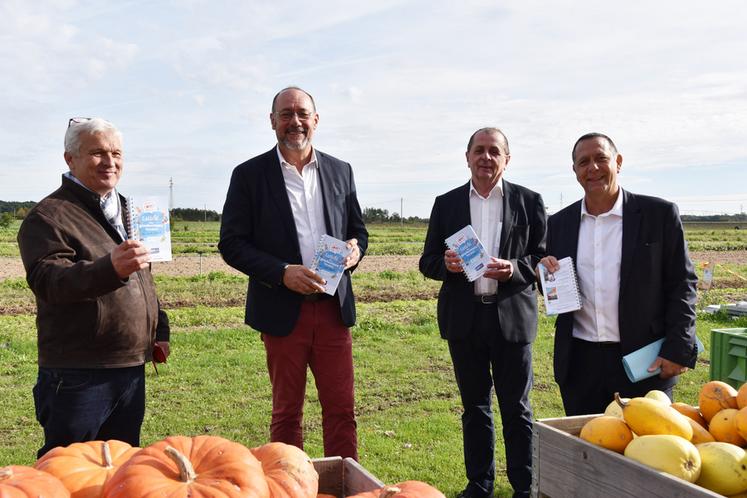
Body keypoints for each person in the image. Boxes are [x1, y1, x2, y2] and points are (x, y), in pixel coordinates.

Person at [219, 87, 368, 459]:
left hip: (333, 307)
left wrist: (355, 250)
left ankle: (344, 484)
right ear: (272, 122)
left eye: (302, 113)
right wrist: (282, 272)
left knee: (341, 410)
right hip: (282, 309)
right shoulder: (249, 175)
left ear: (316, 120)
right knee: (287, 413)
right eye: (286, 114)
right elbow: (232, 243)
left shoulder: (340, 171)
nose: (295, 122)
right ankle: (290, 484)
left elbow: (359, 230)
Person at [17, 117, 170, 458]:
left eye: (117, 153)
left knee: (121, 466)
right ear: (70, 158)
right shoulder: (49, 216)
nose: (110, 162)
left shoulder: (133, 210)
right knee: (70, 469)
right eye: (98, 153)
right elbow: (49, 280)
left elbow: (144, 278)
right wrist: (109, 268)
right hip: (79, 373)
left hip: (130, 367)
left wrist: (160, 328)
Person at [420, 128, 547, 498]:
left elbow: (543, 258)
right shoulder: (447, 204)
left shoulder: (530, 201)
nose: (486, 157)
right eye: (479, 150)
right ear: (467, 156)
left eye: (495, 151)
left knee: (517, 408)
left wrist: (516, 269)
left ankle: (526, 486)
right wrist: (445, 264)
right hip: (465, 319)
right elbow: (427, 261)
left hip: (512, 318)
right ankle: (480, 484)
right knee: (474, 407)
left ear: (507, 158)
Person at [538, 132, 698, 416]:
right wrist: (546, 275)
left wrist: (679, 346)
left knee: (646, 453)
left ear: (618, 162)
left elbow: (682, 284)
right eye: (583, 162)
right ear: (575, 170)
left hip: (644, 361)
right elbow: (556, 286)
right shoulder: (559, 223)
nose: (593, 168)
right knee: (585, 451)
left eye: (601, 158)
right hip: (579, 363)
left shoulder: (658, 214)